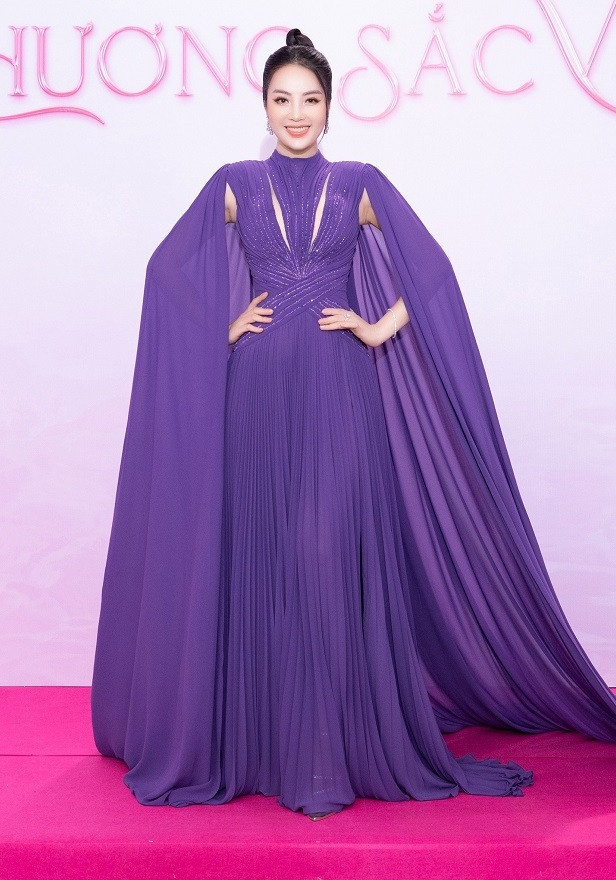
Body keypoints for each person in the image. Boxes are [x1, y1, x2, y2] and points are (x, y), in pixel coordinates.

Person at [91, 28, 616, 820]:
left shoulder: (359, 185)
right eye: (282, 99)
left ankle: (330, 747)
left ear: (330, 107)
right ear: (264, 108)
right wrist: (223, 329)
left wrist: (374, 328)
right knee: (267, 554)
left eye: (310, 99)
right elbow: (166, 271)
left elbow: (432, 272)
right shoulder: (233, 184)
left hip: (340, 391)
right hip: (258, 395)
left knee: (325, 553)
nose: (296, 113)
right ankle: (272, 744)